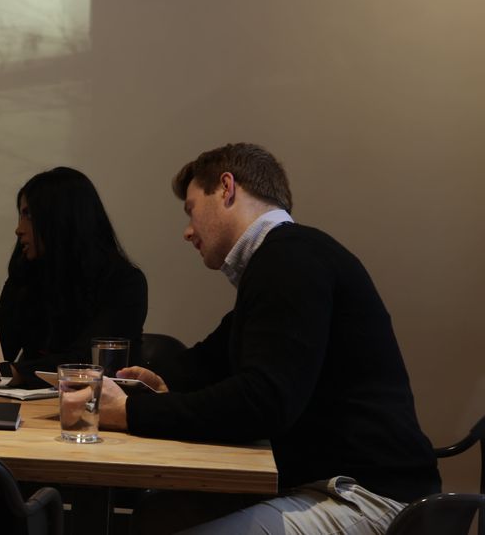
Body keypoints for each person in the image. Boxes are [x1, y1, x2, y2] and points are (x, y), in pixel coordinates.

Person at [90, 143, 439, 534]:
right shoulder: (282, 258)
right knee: (157, 516)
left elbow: (264, 402)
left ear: (226, 188)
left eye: (191, 209)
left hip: (370, 496)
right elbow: (206, 361)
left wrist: (131, 411)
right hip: (327, 480)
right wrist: (160, 384)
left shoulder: (290, 259)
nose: (187, 231)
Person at [0, 166, 147, 394]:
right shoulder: (26, 277)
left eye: (28, 215)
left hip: (98, 406)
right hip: (31, 407)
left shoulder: (123, 282)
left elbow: (88, 362)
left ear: (61, 219)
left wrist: (7, 371)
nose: (18, 229)